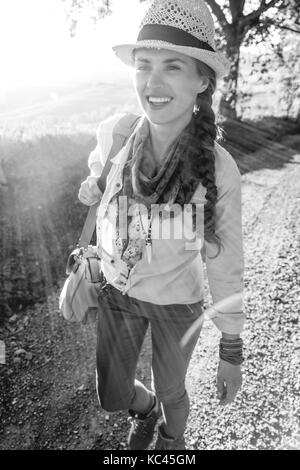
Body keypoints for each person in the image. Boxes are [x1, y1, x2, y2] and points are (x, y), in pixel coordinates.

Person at [78, 0, 245, 451]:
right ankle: (142, 408)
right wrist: (93, 186)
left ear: (201, 80)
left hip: (177, 304)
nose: (153, 82)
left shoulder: (219, 169)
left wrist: (231, 347)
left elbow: (226, 261)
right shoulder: (115, 131)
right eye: (144, 65)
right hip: (118, 291)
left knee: (173, 391)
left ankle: (171, 443)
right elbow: (99, 173)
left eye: (173, 67)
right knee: (111, 396)